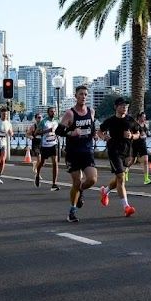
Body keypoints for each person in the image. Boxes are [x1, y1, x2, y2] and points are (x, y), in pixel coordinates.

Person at [58, 85, 98, 223]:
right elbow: (59, 131)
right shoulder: (70, 113)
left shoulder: (91, 111)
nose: (83, 97)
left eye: (86, 94)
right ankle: (72, 211)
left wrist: (94, 135)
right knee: (76, 181)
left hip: (87, 151)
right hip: (73, 152)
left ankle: (80, 190)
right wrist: (71, 133)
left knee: (92, 179)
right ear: (76, 96)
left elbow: (92, 127)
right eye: (81, 94)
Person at [98, 98, 138, 217]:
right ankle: (126, 207)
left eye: (126, 105)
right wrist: (104, 137)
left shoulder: (130, 120)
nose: (124, 107)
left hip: (126, 152)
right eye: (121, 105)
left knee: (120, 178)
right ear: (116, 107)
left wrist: (131, 136)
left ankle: (105, 191)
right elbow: (99, 131)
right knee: (121, 177)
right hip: (113, 151)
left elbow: (138, 134)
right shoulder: (110, 121)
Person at [35, 107, 61, 191]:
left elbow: (59, 130)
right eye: (51, 112)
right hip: (45, 145)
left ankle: (54, 184)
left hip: (54, 144)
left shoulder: (56, 121)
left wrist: (57, 134)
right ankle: (37, 174)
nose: (53, 113)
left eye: (54, 111)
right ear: (48, 113)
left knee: (55, 163)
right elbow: (36, 133)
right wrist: (47, 131)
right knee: (42, 163)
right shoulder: (44, 122)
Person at [129, 112, 151, 185]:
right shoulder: (135, 125)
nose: (144, 118)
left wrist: (146, 135)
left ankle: (146, 179)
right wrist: (141, 136)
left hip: (143, 144)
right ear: (139, 117)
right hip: (135, 144)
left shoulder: (145, 125)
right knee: (133, 160)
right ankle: (126, 171)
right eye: (143, 117)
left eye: (145, 117)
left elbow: (146, 134)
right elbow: (135, 135)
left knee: (145, 161)